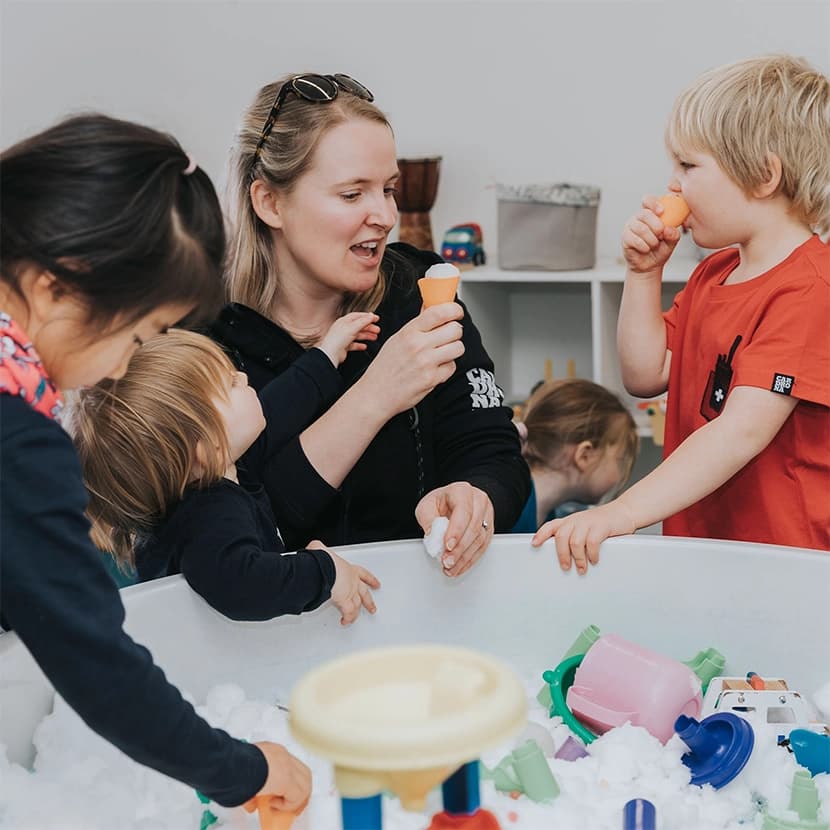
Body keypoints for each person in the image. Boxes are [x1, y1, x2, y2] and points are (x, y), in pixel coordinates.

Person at [0, 114, 310, 816]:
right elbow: (92, 659)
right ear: (55, 289)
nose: (123, 367)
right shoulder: (17, 436)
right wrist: (242, 768)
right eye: (139, 336)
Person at [212, 72, 529, 577]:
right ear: (269, 202)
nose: (384, 215)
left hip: (425, 612)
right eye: (352, 194)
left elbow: (495, 453)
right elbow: (239, 540)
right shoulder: (207, 344)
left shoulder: (421, 291)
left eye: (388, 189)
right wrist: (374, 398)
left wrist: (474, 496)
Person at [533, 54, 830, 572]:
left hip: (787, 563)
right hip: (707, 550)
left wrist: (622, 513)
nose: (672, 185)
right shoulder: (712, 274)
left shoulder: (811, 289)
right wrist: (643, 274)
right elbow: (645, 374)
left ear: (763, 175)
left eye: (689, 166)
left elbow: (740, 430)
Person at [69, 326, 380, 626]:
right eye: (229, 383)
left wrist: (326, 355)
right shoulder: (208, 512)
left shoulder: (221, 468)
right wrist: (325, 574)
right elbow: (242, 585)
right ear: (207, 446)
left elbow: (280, 407)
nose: (242, 376)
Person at [510, 379, 638, 532]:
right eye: (619, 460)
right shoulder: (514, 511)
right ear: (585, 456)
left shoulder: (545, 512)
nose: (618, 476)